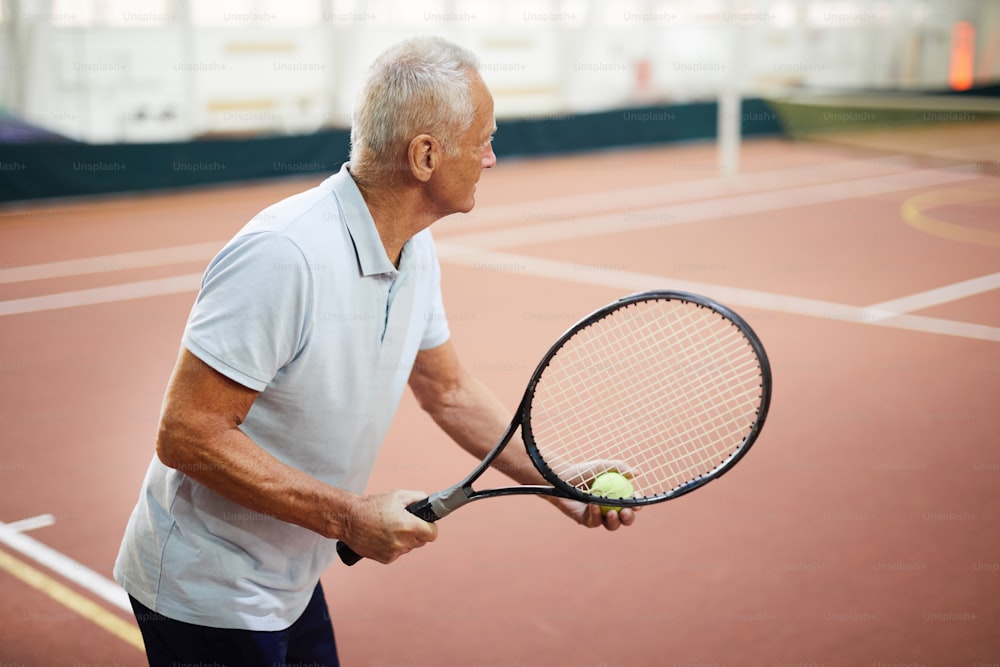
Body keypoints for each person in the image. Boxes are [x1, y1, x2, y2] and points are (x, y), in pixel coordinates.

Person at [114, 35, 636, 667]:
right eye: (484, 139)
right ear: (426, 156)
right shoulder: (284, 255)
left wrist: (557, 483)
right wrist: (348, 516)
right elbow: (187, 435)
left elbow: (445, 389)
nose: (492, 158)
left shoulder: (414, 248)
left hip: (293, 576)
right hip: (207, 589)